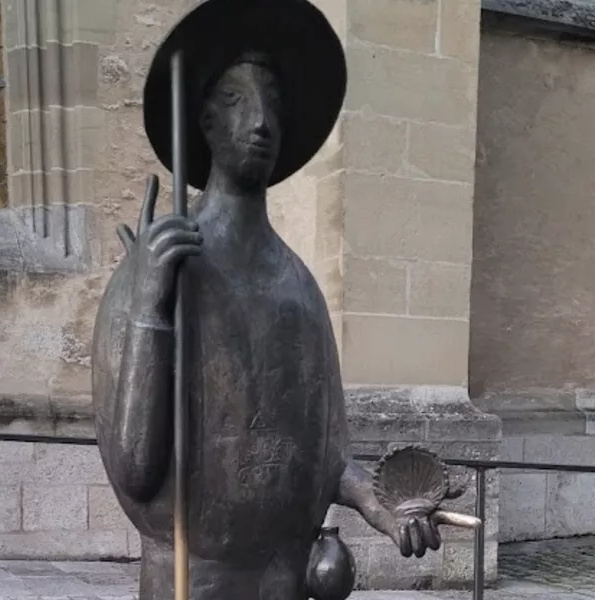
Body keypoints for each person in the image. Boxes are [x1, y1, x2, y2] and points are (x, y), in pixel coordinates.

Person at [91, 1, 443, 598]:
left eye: (273, 104)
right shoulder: (159, 273)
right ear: (203, 122)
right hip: (190, 583)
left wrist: (382, 508)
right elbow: (134, 466)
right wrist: (150, 310)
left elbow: (329, 457)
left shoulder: (300, 290)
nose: (260, 122)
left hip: (285, 580)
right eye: (236, 101)